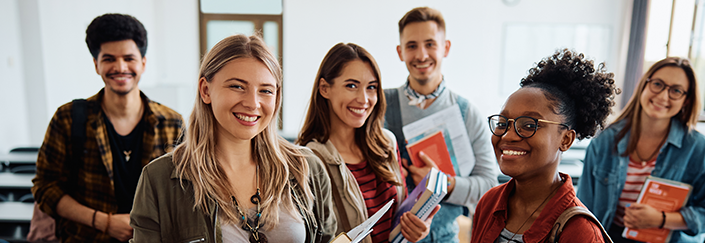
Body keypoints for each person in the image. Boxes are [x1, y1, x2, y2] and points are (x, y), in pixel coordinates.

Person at [129, 34, 336, 243]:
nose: (253, 103)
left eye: (265, 90)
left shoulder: (306, 168)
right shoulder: (160, 179)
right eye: (237, 86)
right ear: (205, 90)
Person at [31, 13, 183, 242]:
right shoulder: (68, 118)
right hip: (86, 237)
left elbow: (183, 190)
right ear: (96, 64)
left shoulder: (172, 122)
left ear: (143, 63)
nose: (120, 67)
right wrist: (104, 222)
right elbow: (45, 187)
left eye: (129, 58)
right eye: (109, 59)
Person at [297, 43, 439, 243]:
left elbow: (399, 216)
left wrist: (417, 229)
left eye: (371, 87)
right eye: (351, 86)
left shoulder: (386, 143)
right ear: (325, 88)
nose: (364, 99)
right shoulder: (308, 160)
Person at [577, 57, 705, 242]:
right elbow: (584, 207)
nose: (663, 96)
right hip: (610, 237)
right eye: (658, 84)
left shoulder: (700, 149)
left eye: (676, 90)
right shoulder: (605, 141)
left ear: (686, 100)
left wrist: (662, 219)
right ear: (645, 85)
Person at [472, 49, 617, 242]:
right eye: (502, 123)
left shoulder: (580, 232)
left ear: (565, 139)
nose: (508, 135)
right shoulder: (489, 203)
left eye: (529, 125)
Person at [383, 6, 499, 242]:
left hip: (446, 237)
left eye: (430, 44)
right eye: (411, 46)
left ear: (445, 47)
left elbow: (488, 184)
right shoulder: (381, 106)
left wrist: (443, 183)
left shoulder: (468, 113)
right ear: (400, 52)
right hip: (392, 235)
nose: (421, 55)